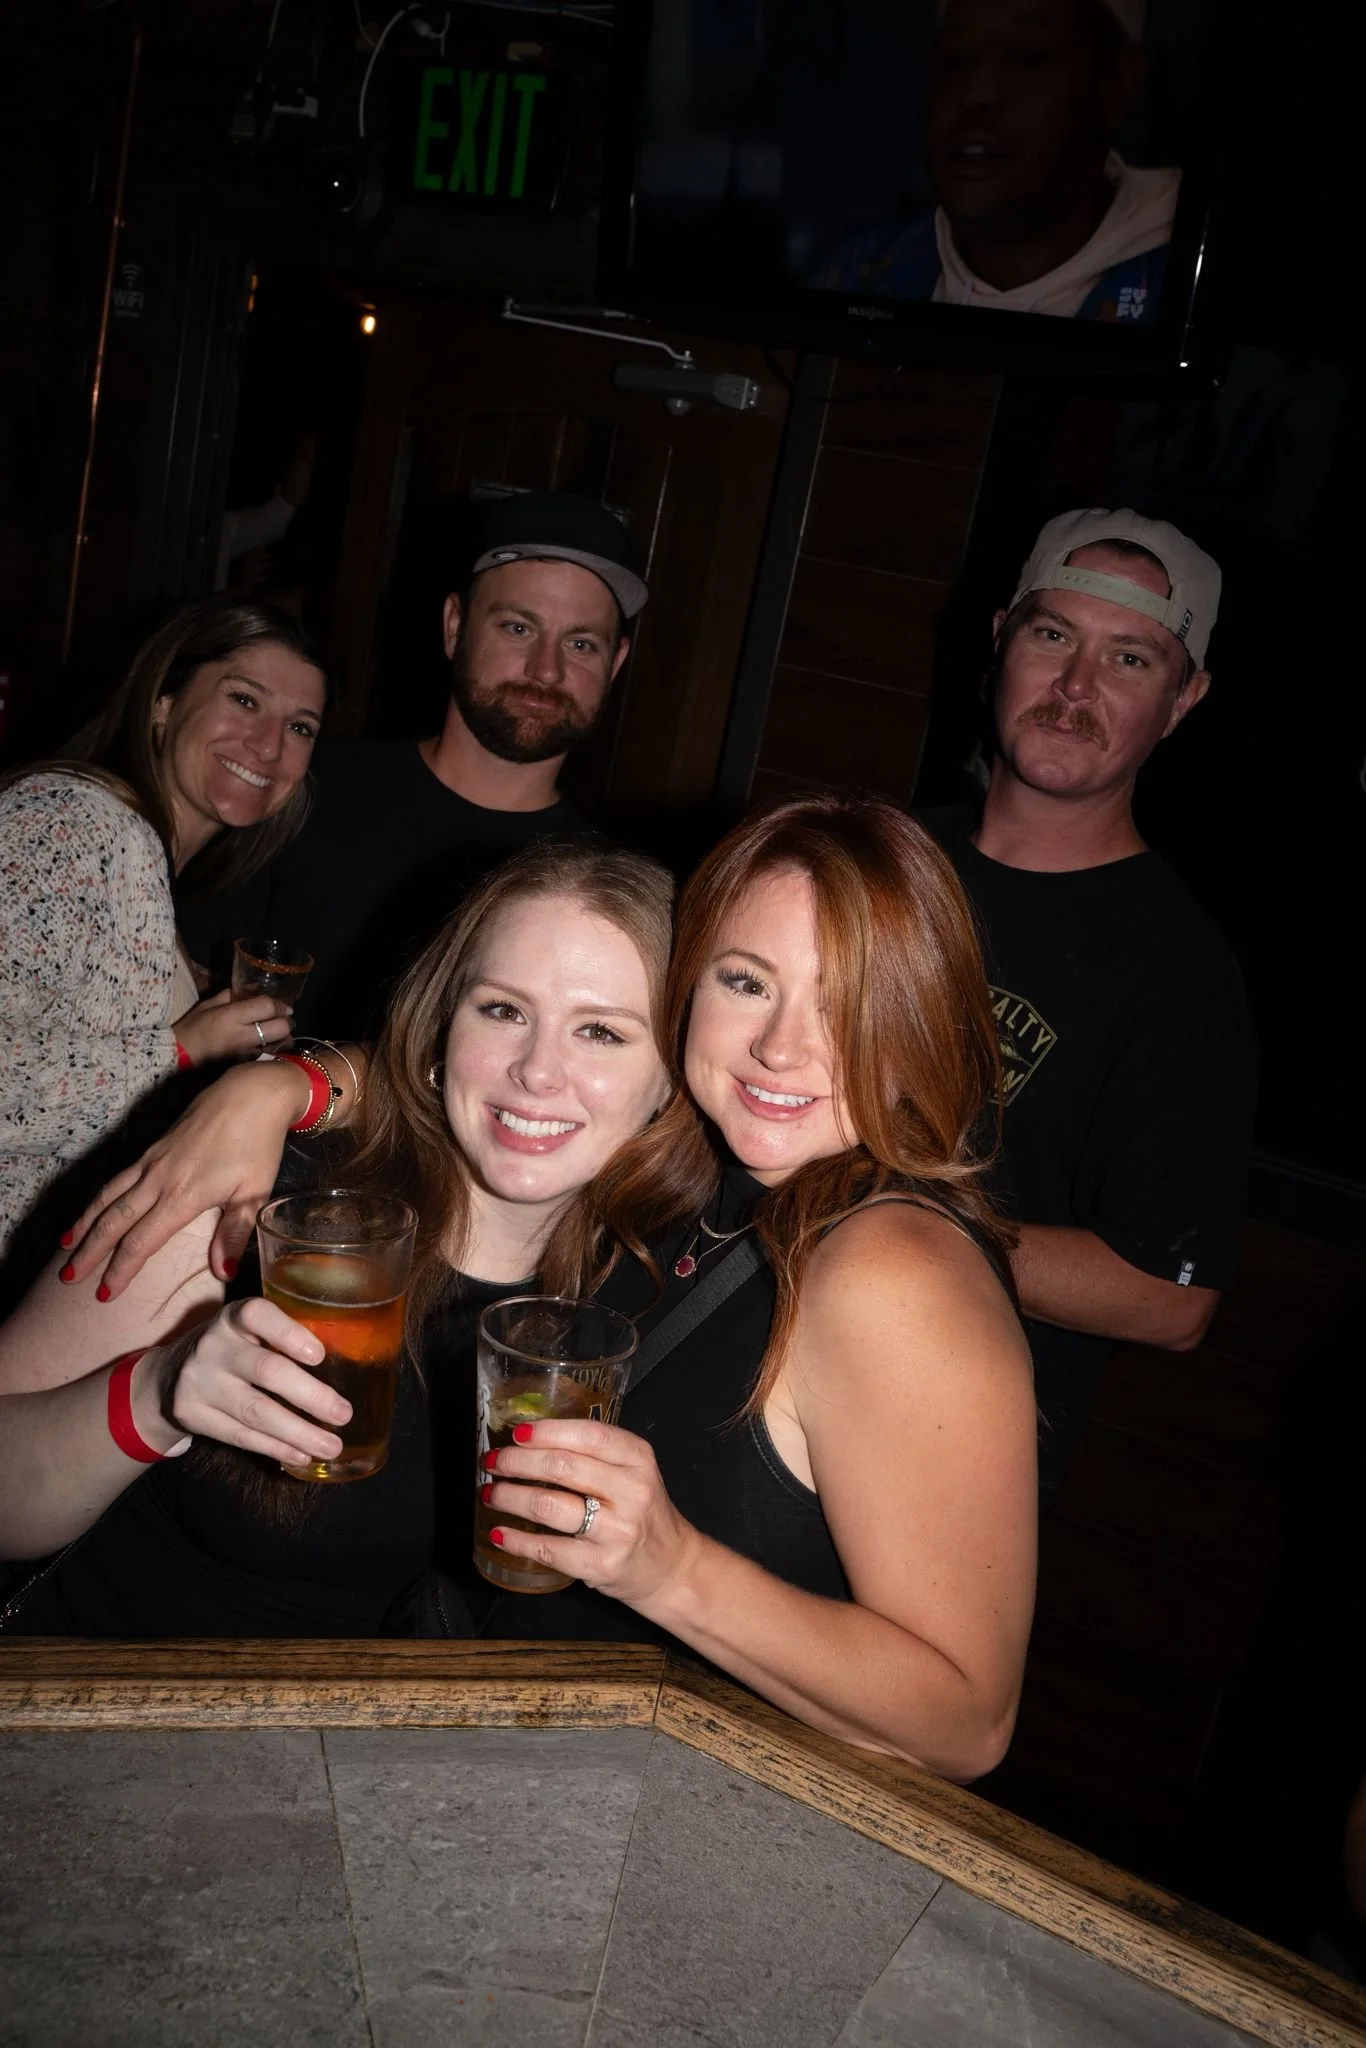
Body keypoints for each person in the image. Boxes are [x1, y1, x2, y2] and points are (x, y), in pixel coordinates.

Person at [53, 796, 1037, 1779]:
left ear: (916, 1015)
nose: (780, 1046)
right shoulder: (692, 1196)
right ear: (688, 1002)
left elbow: (968, 1723)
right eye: (747, 981)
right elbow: (498, 1070)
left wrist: (671, 1569)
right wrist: (279, 1084)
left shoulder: (891, 1264)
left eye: (845, 998)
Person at [0, 841, 674, 1638]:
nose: (536, 1071)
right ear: (441, 1028)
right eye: (502, 1010)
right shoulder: (254, 1199)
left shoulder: (646, 1279)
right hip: (110, 1685)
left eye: (601, 1032)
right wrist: (158, 1391)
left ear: (671, 1078)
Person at [921, 507, 1258, 1484]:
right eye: (1053, 634)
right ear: (1001, 640)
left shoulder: (1180, 974)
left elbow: (1170, 1297)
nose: (1075, 686)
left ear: (1183, 699)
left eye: (1129, 659)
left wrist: (887, 1216)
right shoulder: (876, 859)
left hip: (950, 1453)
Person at [182, 490, 649, 1041]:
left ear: (616, 662)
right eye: (518, 628)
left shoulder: (600, 886)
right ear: (455, 627)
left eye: (581, 643)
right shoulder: (306, 785)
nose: (546, 670)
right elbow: (187, 983)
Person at [0, 597, 326, 1275]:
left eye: (300, 727)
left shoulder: (143, 863)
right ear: (163, 702)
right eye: (244, 700)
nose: (269, 745)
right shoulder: (70, 821)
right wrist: (177, 1050)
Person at [816, 0, 1177, 323]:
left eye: (1028, 57)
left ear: (1117, 83)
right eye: (957, 60)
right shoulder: (859, 279)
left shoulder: (1182, 291)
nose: (977, 94)